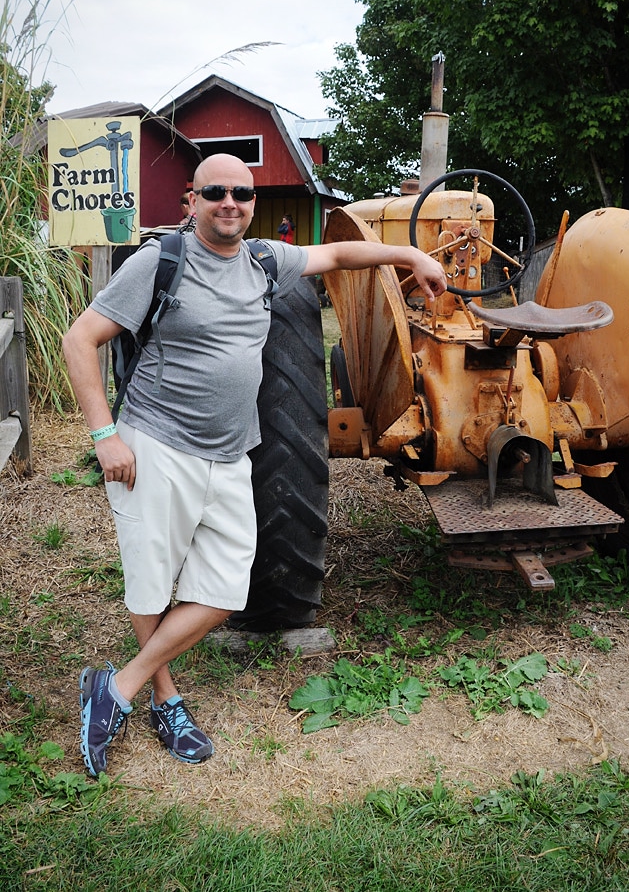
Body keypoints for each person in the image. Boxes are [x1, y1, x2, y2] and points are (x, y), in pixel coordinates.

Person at [62, 153, 447, 778]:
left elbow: (338, 257)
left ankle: (114, 687)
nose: (229, 203)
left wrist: (409, 258)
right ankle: (166, 698)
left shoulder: (266, 259)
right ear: (192, 198)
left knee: (224, 589)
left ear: (252, 201)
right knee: (152, 584)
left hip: (231, 452)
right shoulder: (158, 263)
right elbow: (80, 341)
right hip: (157, 444)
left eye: (241, 192)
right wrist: (106, 435)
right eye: (215, 191)